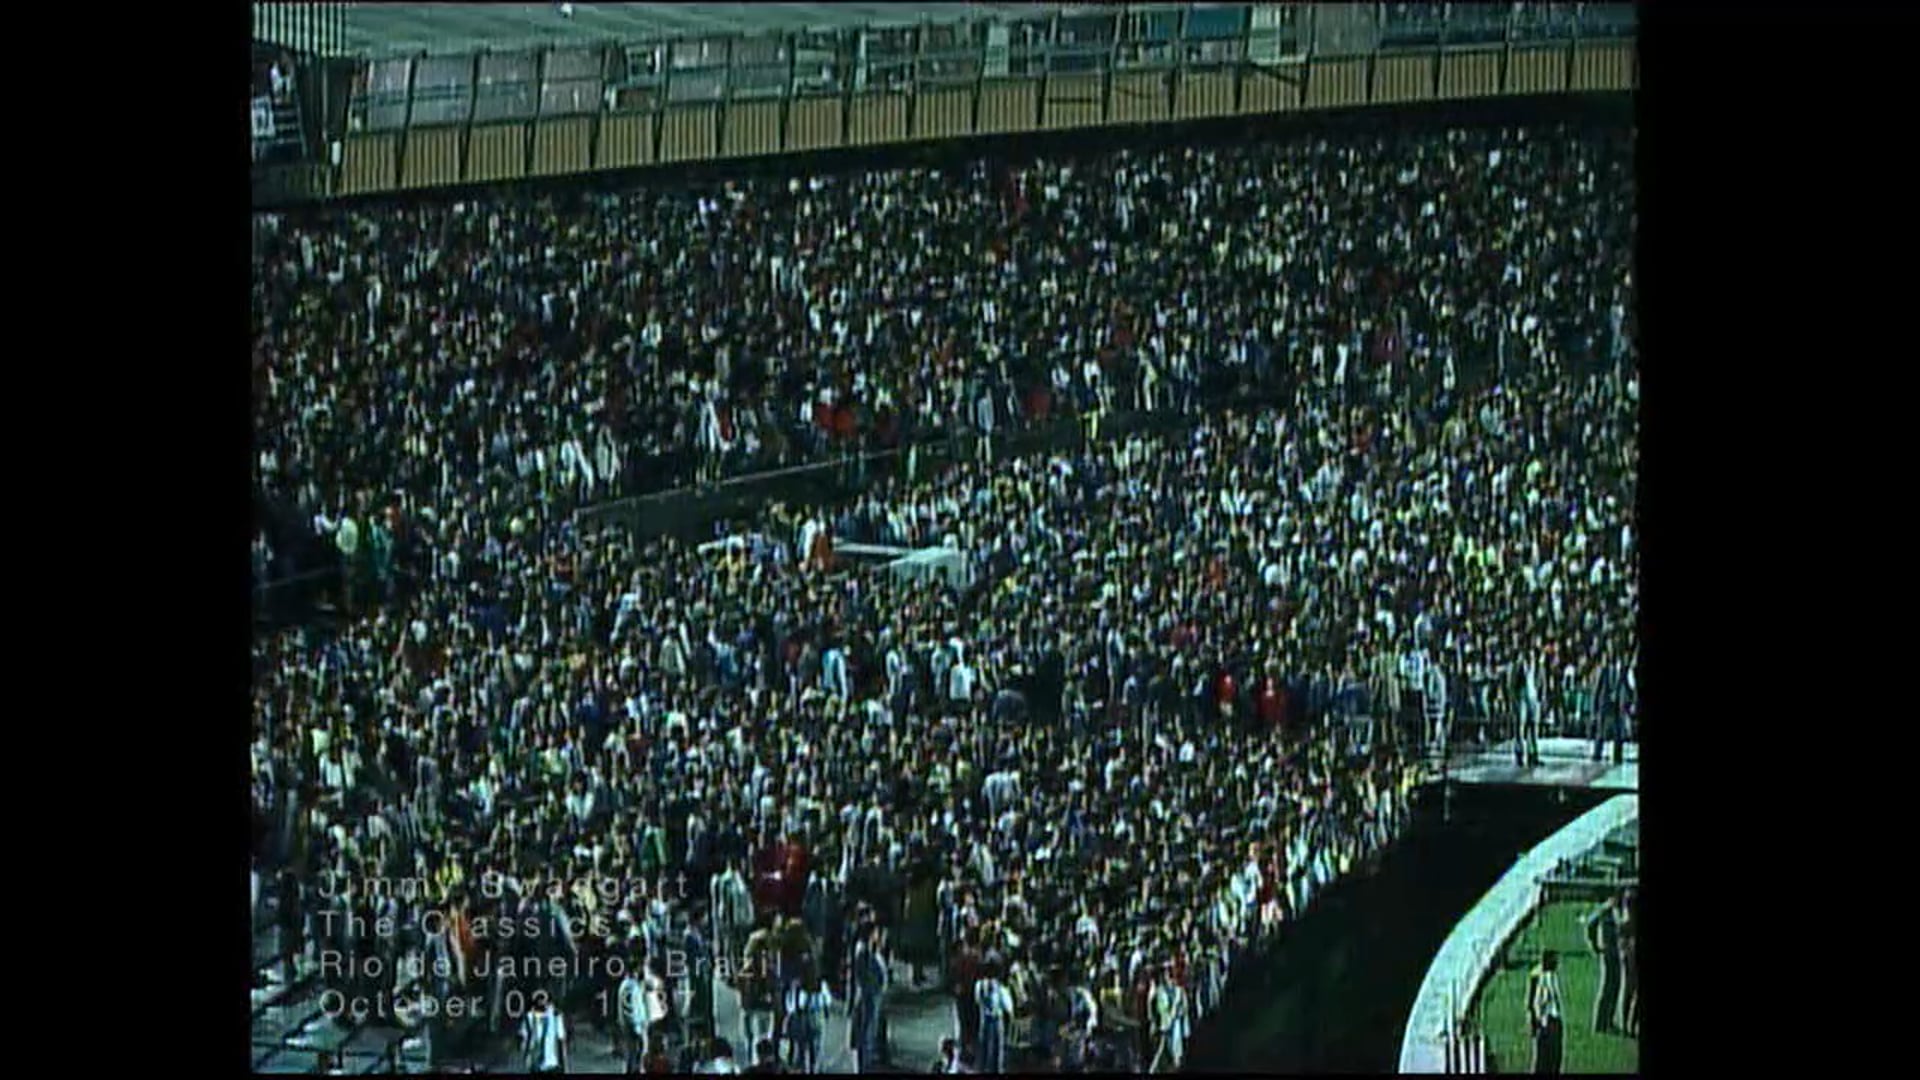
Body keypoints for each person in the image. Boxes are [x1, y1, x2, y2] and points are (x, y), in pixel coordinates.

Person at [1585, 891, 1625, 1035]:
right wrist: (1594, 945)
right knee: (1607, 986)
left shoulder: (1619, 908)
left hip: (1616, 951)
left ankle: (1608, 1020)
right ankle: (1599, 1023)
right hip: (1608, 952)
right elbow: (1590, 924)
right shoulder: (1606, 909)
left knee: (1615, 986)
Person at [784, 968, 832, 1074]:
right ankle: (810, 1068)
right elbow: (827, 1001)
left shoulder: (797, 985)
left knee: (806, 1048)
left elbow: (790, 1005)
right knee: (812, 1048)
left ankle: (807, 1068)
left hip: (806, 1017)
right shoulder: (819, 984)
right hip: (812, 1017)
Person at [1526, 949, 1564, 1074]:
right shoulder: (1540, 977)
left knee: (1551, 1060)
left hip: (1550, 1022)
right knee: (1546, 1061)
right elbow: (1535, 1002)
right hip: (1546, 1023)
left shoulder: (1549, 975)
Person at [973, 961, 1013, 1075]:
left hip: (984, 1019)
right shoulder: (1000, 988)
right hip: (997, 1020)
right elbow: (1008, 1007)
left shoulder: (979, 985)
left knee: (984, 1047)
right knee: (997, 1049)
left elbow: (977, 1001)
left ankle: (982, 1068)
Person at [519, 994, 569, 1075]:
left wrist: (564, 1064)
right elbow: (525, 1038)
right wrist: (526, 1055)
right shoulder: (529, 1017)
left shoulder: (556, 1016)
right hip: (536, 1062)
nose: (542, 1003)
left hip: (551, 1063)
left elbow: (561, 1040)